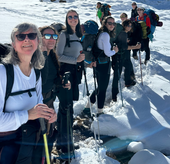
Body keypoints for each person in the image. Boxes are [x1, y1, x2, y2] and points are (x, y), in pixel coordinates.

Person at [0, 22, 57, 164]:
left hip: (25, 146)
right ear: (14, 45)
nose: (26, 39)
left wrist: (46, 113)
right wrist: (27, 115)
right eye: (20, 36)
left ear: (38, 41)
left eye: (31, 35)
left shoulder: (36, 71)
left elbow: (38, 100)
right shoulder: (2, 72)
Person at [32, 25, 70, 164]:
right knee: (39, 137)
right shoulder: (35, 56)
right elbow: (41, 81)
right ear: (39, 38)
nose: (51, 39)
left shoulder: (51, 55)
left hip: (49, 102)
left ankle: (45, 159)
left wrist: (61, 83)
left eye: (54, 36)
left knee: (47, 134)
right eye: (47, 36)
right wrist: (42, 54)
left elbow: (50, 79)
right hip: (37, 105)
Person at [56, 10, 85, 156]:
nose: (73, 19)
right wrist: (75, 61)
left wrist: (83, 61)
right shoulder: (63, 35)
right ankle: (65, 144)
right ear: (66, 19)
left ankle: (64, 140)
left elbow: (75, 54)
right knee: (66, 107)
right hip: (66, 74)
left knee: (69, 106)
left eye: (75, 16)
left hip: (75, 73)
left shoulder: (78, 35)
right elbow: (58, 56)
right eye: (70, 17)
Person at [83, 16, 118, 116]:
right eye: (109, 23)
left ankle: (87, 107)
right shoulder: (105, 35)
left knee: (100, 87)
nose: (112, 25)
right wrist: (115, 51)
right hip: (104, 64)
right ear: (105, 23)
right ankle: (100, 111)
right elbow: (108, 53)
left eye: (113, 23)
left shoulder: (99, 33)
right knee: (103, 89)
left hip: (97, 63)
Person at [111, 19, 141, 101]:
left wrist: (125, 41)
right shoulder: (123, 33)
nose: (129, 27)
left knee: (126, 68)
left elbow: (119, 42)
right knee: (117, 75)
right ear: (124, 25)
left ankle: (127, 82)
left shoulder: (122, 33)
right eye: (128, 25)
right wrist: (136, 47)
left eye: (130, 26)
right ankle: (114, 95)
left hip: (117, 56)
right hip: (119, 56)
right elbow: (125, 47)